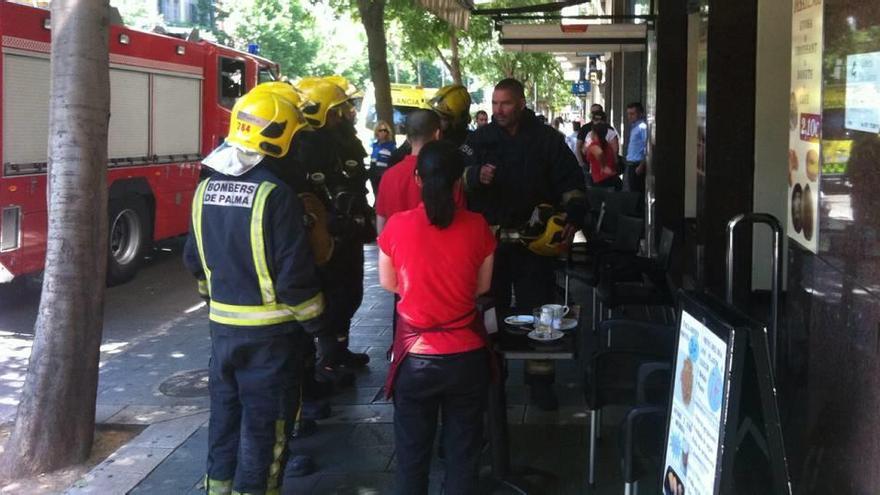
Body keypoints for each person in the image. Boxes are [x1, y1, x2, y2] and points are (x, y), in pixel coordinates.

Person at [184, 89, 325, 493]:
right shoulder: (275, 194)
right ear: (277, 137)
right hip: (272, 342)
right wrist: (318, 323)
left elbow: (195, 263)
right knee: (266, 435)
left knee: (224, 428)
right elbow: (295, 280)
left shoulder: (203, 189)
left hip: (222, 334)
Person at [378, 140, 496, 495]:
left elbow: (389, 283)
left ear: (418, 179)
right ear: (459, 181)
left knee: (412, 459)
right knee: (463, 457)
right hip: (466, 358)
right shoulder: (479, 227)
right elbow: (482, 287)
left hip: (416, 359)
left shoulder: (396, 226)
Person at [462, 78, 586, 410]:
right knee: (491, 311)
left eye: (505, 103)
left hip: (535, 246)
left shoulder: (547, 140)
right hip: (492, 247)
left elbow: (572, 183)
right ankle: (493, 376)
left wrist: (573, 212)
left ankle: (541, 382)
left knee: (540, 311)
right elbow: (454, 174)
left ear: (521, 103)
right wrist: (474, 175)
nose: (498, 110)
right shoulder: (478, 140)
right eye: (495, 103)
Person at [295, 79, 372, 384]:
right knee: (332, 296)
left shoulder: (343, 139)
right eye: (337, 110)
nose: (346, 114)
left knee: (350, 293)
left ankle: (340, 350)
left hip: (348, 228)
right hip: (326, 235)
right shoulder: (305, 147)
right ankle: (327, 360)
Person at [375, 110, 441, 233]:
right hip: (437, 251)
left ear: (408, 138)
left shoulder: (389, 176)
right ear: (437, 134)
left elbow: (381, 226)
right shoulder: (447, 174)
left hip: (397, 250)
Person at [387, 84, 473, 167]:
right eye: (434, 113)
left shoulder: (470, 143)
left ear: (456, 121)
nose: (435, 120)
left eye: (443, 118)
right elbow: (395, 160)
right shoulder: (424, 135)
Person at [584, 122, 622, 189]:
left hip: (600, 179)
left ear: (594, 133)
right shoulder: (607, 144)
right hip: (610, 177)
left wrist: (603, 166)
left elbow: (599, 153)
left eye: (591, 132)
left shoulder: (595, 144)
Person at [624, 102, 648, 193]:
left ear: (640, 113)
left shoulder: (642, 127)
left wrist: (642, 165)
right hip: (631, 164)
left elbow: (647, 147)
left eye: (632, 114)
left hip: (638, 165)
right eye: (628, 114)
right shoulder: (634, 127)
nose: (629, 116)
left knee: (637, 194)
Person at [369, 120, 396, 197]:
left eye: (385, 130)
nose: (383, 132)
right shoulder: (374, 145)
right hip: (374, 176)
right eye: (380, 130)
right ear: (376, 132)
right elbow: (373, 162)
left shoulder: (391, 147)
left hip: (384, 176)